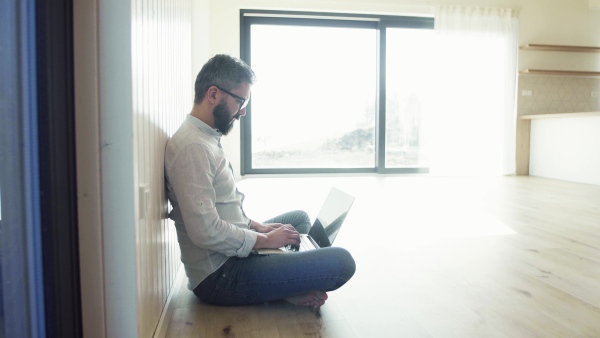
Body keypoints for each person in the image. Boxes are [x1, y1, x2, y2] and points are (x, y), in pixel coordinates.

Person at [164, 54, 355, 308]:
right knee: (342, 262)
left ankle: (283, 276)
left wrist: (259, 228)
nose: (242, 111)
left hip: (233, 253)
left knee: (298, 219)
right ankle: (282, 282)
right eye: (240, 101)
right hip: (221, 276)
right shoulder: (193, 148)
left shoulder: (206, 137)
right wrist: (265, 241)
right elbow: (206, 232)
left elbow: (224, 208)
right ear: (213, 95)